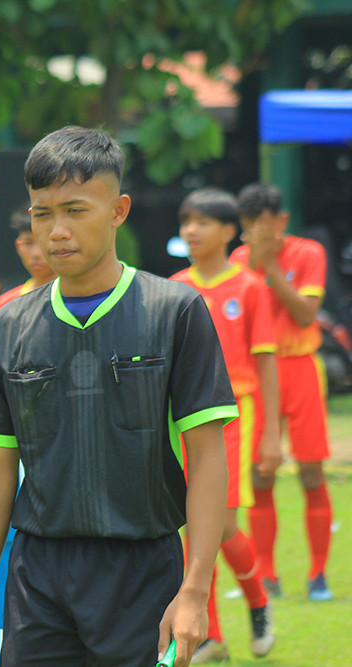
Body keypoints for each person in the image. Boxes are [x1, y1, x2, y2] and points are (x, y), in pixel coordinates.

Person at [0, 126, 237, 667]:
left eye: (75, 210)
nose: (57, 231)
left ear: (118, 210)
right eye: (42, 214)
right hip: (37, 576)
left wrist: (195, 590)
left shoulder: (175, 311)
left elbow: (205, 457)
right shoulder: (7, 324)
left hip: (142, 571)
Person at [170, 188, 281, 662]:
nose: (190, 231)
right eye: (185, 222)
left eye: (201, 222)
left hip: (235, 415)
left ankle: (257, 601)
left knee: (221, 522)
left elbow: (267, 361)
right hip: (182, 419)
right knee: (191, 528)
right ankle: (210, 636)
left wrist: (272, 434)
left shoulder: (250, 286)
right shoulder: (175, 286)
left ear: (227, 231)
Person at [229, 183, 334, 601]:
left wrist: (271, 269)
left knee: (311, 471)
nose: (257, 233)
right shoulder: (238, 261)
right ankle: (266, 574)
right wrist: (257, 263)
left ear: (282, 222)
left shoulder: (308, 253)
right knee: (260, 474)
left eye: (265, 224)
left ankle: (318, 574)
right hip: (259, 375)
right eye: (249, 225)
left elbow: (306, 313)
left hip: (302, 368)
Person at [0, 208, 56, 313]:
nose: (36, 254)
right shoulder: (6, 304)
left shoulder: (76, 298)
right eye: (28, 243)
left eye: (43, 242)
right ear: (18, 246)